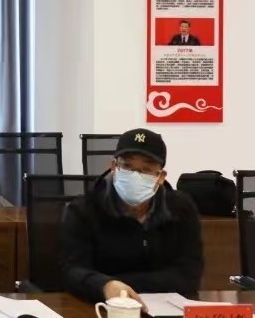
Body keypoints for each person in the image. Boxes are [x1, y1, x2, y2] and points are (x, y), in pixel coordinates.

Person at [60, 128, 203, 304]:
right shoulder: (84, 209)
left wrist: (120, 283)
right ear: (114, 168)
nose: (135, 176)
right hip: (102, 307)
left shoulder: (181, 209)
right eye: (127, 166)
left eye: (146, 169)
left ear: (160, 177)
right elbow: (72, 271)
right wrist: (105, 286)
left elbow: (189, 275)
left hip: (166, 309)